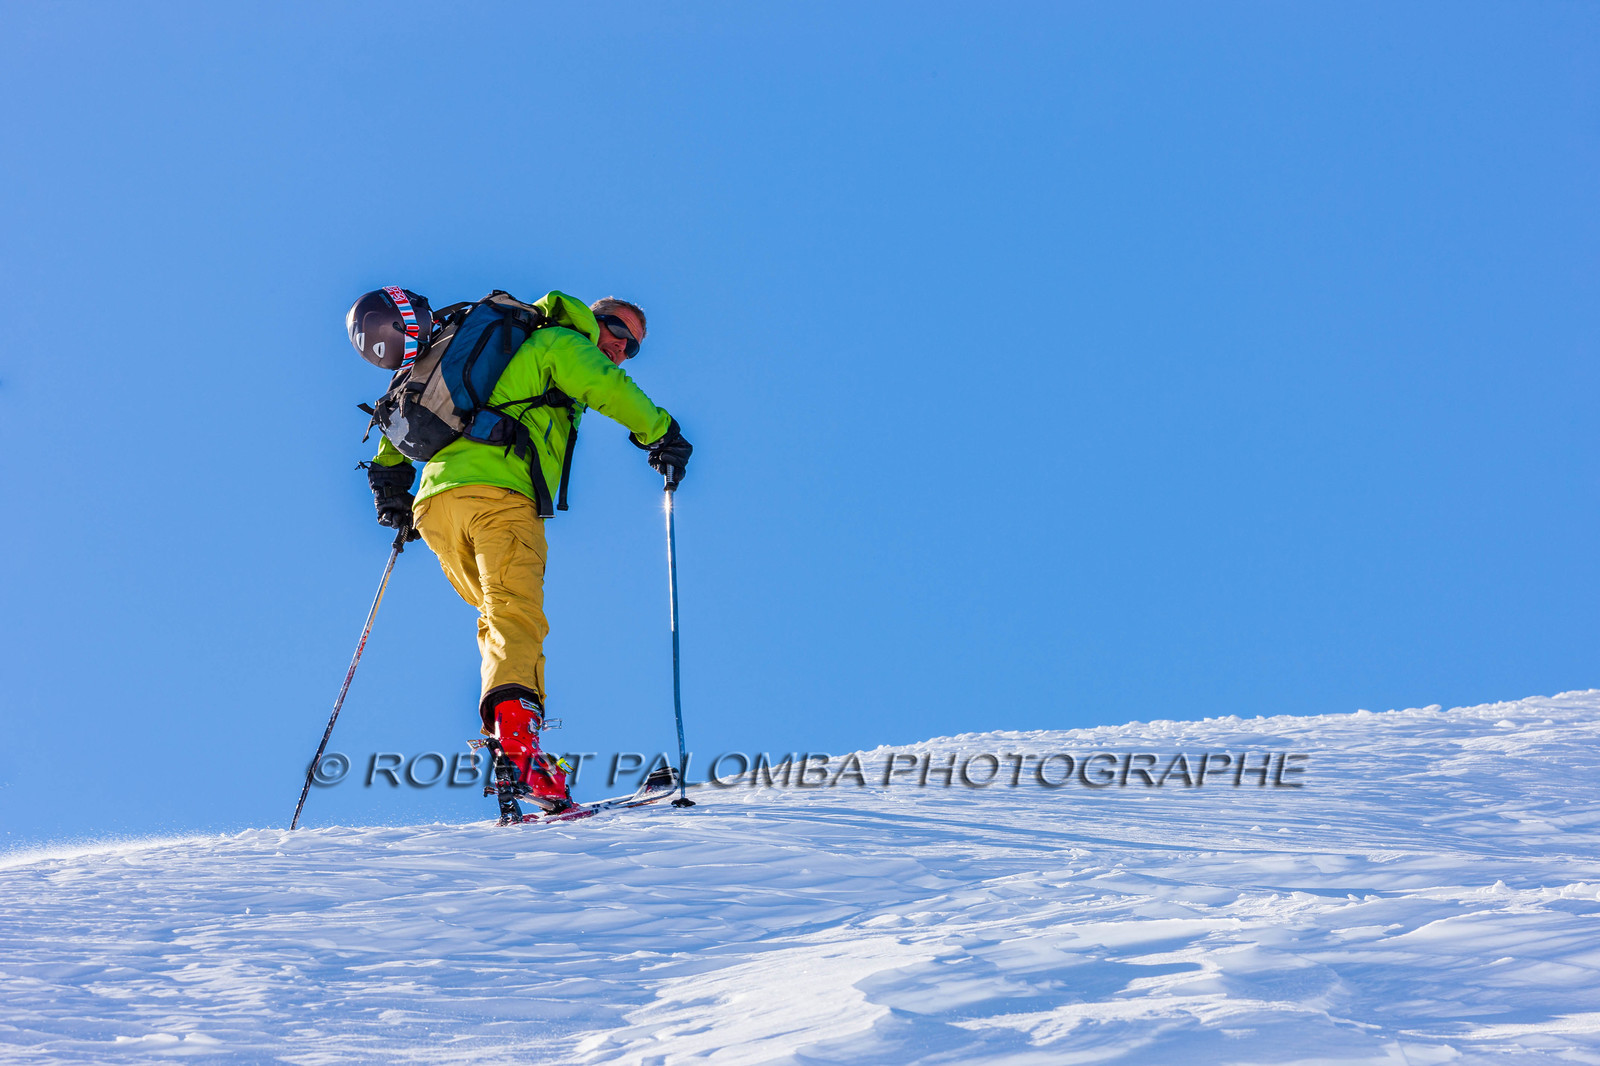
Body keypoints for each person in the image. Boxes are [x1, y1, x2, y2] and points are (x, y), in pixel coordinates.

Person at [358, 290, 692, 818]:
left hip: (437, 507)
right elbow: (606, 386)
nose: (622, 351)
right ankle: (521, 753)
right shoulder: (559, 340)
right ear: (594, 319)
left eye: (634, 348)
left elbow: (408, 400)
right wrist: (661, 432)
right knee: (515, 613)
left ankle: (512, 745)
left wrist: (390, 483)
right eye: (619, 332)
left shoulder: (489, 346)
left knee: (498, 615)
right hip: (498, 495)